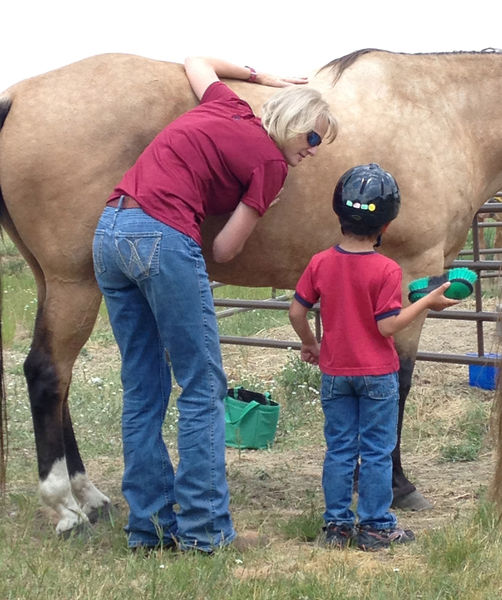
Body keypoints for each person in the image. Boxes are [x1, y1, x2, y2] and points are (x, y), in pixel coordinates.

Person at [92, 56, 337, 553]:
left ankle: (149, 530)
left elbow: (196, 59)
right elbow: (225, 250)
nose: (314, 150)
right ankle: (206, 532)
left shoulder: (225, 104)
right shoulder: (270, 165)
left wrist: (259, 75)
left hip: (109, 233)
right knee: (203, 387)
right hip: (164, 236)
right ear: (290, 123)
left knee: (142, 388)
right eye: (312, 138)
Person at [288, 163, 460, 551]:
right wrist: (428, 302)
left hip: (335, 374)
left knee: (340, 450)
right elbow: (387, 327)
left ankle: (336, 526)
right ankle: (376, 526)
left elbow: (297, 311)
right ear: (386, 226)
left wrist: (309, 343)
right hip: (379, 376)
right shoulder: (385, 269)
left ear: (338, 214)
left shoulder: (319, 262)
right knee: (377, 452)